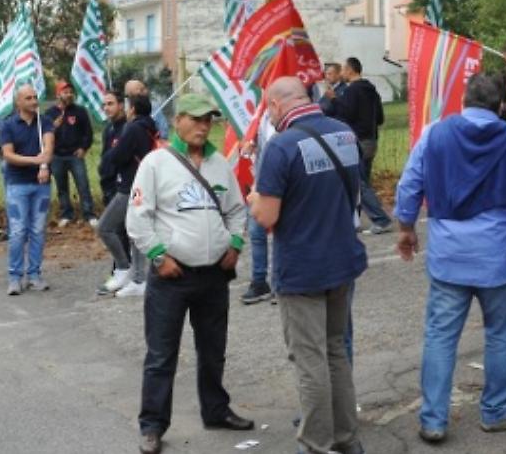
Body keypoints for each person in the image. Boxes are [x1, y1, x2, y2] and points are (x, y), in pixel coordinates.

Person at [394, 72, 506, 444]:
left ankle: (433, 420)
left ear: (463, 101)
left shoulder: (434, 134)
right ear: (501, 106)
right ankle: (497, 412)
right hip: (498, 257)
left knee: (440, 337)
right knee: (502, 335)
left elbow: (409, 185)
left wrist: (406, 228)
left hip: (449, 257)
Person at [127, 93, 253, 454]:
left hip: (213, 275)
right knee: (161, 355)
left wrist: (235, 244)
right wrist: (158, 257)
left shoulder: (219, 164)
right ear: (177, 120)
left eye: (208, 120)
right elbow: (138, 218)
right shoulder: (156, 163)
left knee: (213, 350)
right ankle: (152, 425)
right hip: (172, 276)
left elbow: (236, 210)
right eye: (196, 119)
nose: (203, 126)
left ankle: (216, 411)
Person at [249, 76, 367, 454]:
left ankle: (316, 443)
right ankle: (347, 439)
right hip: (342, 260)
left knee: (309, 358)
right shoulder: (344, 133)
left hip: (302, 269)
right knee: (335, 351)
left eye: (268, 108)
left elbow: (267, 217)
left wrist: (253, 197)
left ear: (276, 105)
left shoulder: (281, 146)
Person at [97, 90, 159, 297]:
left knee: (105, 227)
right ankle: (139, 279)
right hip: (142, 185)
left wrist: (111, 154)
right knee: (134, 233)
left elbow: (117, 156)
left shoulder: (132, 128)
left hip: (130, 187)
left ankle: (124, 268)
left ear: (132, 109)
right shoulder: (150, 126)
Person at [323, 57, 392, 234]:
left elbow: (346, 114)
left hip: (358, 141)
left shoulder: (352, 90)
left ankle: (381, 220)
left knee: (358, 183)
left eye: (343, 70)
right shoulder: (371, 90)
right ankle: (354, 221)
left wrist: (334, 99)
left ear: (351, 70)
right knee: (362, 183)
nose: (342, 73)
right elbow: (380, 118)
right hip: (371, 140)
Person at [0, 83, 55, 296]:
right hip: (17, 185)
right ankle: (15, 277)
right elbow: (8, 155)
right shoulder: (8, 125)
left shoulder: (45, 122)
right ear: (18, 102)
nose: (34, 101)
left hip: (41, 186)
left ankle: (34, 274)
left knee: (37, 230)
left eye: (35, 97)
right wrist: (34, 161)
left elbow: (48, 149)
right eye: (29, 98)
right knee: (18, 232)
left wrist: (43, 166)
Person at [43, 80, 96, 227]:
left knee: (83, 185)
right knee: (62, 188)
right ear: (58, 94)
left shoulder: (80, 111)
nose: (69, 95)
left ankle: (89, 214)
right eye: (65, 92)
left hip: (75, 156)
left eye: (71, 92)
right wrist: (54, 126)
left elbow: (88, 133)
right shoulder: (50, 113)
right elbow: (44, 135)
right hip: (57, 156)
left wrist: (83, 148)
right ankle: (66, 214)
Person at [240, 115, 278, 305]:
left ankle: (280, 283)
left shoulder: (284, 110)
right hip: (260, 182)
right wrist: (251, 145)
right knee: (256, 232)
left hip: (280, 181)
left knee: (283, 232)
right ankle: (259, 281)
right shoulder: (260, 114)